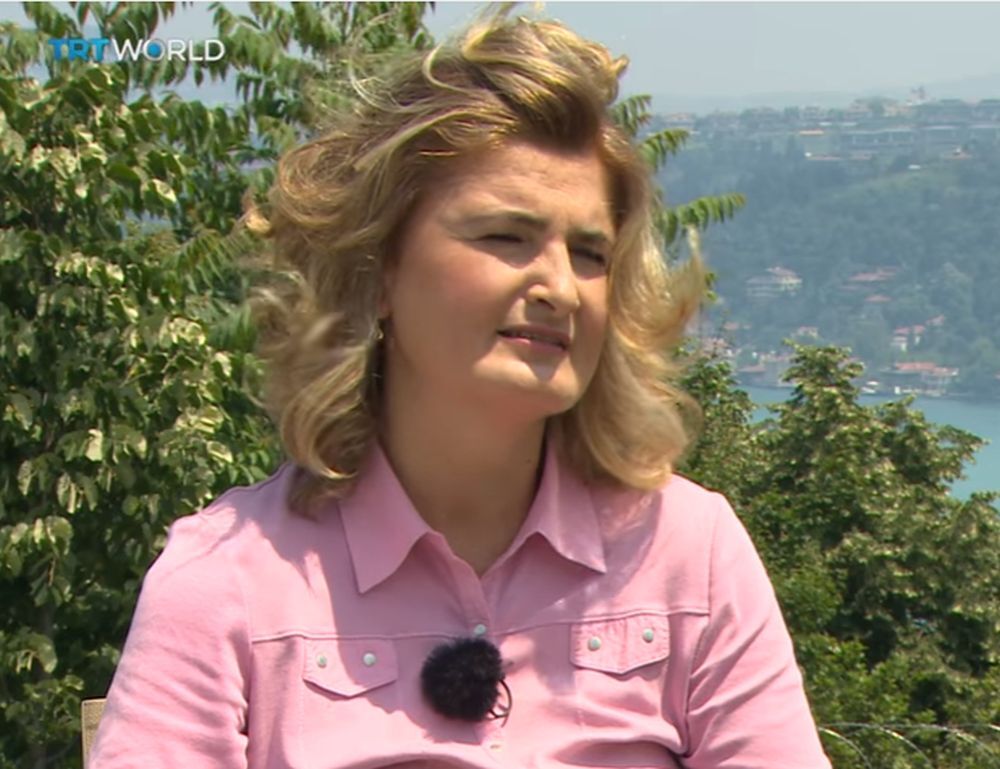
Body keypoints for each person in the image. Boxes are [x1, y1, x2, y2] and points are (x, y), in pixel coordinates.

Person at [90, 11, 832, 769]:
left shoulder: (688, 552)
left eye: (589, 254)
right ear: (380, 272)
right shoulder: (229, 578)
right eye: (505, 237)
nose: (559, 287)